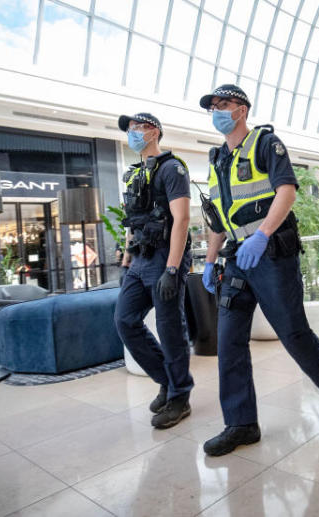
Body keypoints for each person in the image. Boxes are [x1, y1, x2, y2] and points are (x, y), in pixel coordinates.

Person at [198, 84, 319, 456]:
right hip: (236, 258)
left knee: (292, 332)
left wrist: (262, 235)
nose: (218, 110)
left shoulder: (265, 143)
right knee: (229, 339)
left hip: (270, 253)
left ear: (242, 110)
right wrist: (210, 259)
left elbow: (287, 191)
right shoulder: (217, 158)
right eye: (213, 106)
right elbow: (216, 218)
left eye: (225, 104)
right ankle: (241, 423)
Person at [113, 112, 194, 430]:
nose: (132, 132)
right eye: (129, 128)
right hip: (140, 260)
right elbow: (133, 221)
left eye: (138, 127)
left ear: (154, 132)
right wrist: (125, 262)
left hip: (164, 258)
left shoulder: (172, 168)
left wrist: (173, 268)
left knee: (170, 328)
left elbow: (182, 220)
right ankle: (167, 380)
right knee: (125, 320)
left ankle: (180, 397)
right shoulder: (134, 174)